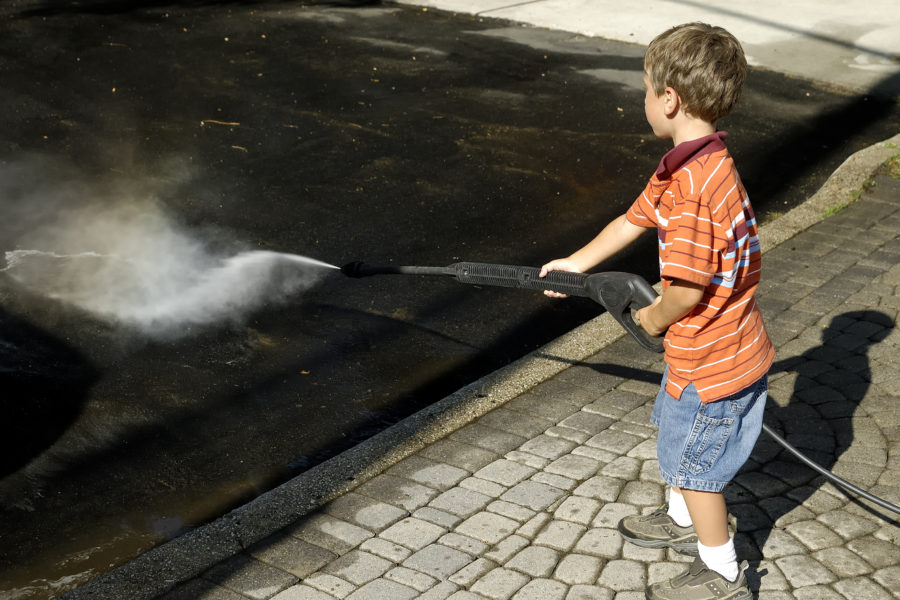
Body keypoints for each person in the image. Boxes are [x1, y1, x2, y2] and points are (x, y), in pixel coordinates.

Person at [540, 22, 774, 600]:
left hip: (714, 358)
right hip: (704, 348)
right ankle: (677, 521)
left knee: (697, 465)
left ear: (669, 100)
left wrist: (650, 319)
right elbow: (632, 220)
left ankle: (721, 569)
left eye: (646, 90)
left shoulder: (695, 189)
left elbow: (686, 291)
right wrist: (577, 262)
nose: (642, 101)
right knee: (673, 426)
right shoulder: (692, 164)